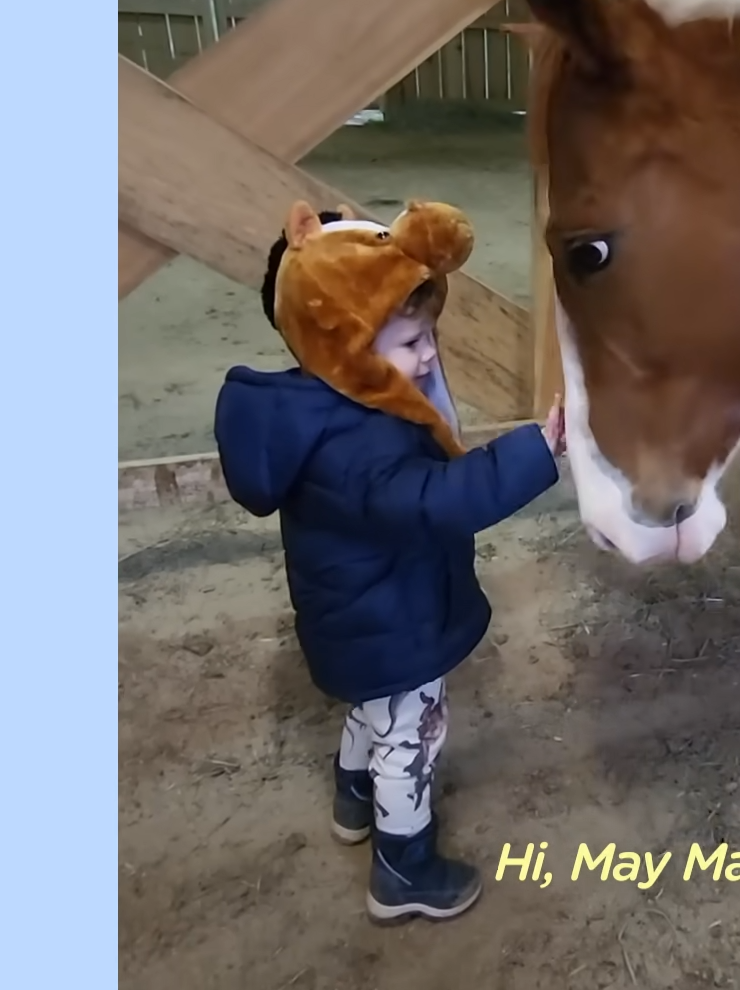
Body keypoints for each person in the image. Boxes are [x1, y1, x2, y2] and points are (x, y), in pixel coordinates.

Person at [213, 206, 564, 924]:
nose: (429, 355)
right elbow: (438, 500)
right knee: (411, 734)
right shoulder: (355, 449)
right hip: (393, 620)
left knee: (374, 709)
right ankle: (403, 870)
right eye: (409, 341)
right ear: (343, 344)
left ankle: (352, 797)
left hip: (361, 617)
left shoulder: (328, 409)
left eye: (428, 333)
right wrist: (537, 451)